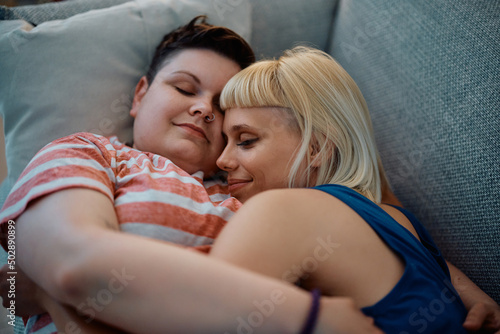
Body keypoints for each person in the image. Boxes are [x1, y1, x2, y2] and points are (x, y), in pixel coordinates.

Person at [0, 18, 498, 333]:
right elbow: (56, 259)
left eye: (228, 118)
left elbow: (363, 217)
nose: (201, 111)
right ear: (138, 94)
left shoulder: (256, 192)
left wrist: (44, 292)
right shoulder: (93, 152)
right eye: (184, 88)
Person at [209, 46, 500, 333]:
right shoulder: (401, 222)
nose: (222, 160)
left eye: (245, 140)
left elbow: (203, 317)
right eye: (224, 141)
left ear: (317, 147)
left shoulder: (281, 211)